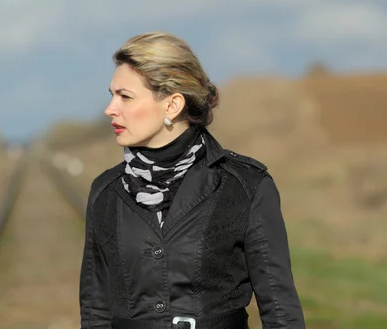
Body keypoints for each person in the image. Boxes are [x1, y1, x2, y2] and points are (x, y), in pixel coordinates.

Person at [79, 31, 306, 329]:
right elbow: (96, 311)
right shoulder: (106, 193)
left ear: (172, 105)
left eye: (125, 96)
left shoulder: (245, 187)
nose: (110, 109)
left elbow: (281, 313)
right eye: (112, 95)